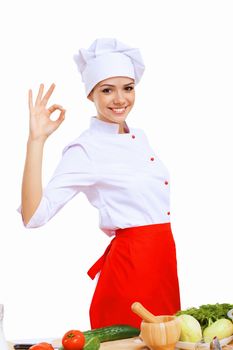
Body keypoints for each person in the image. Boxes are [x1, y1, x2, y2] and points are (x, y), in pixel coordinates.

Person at [19, 38, 181, 329]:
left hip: (163, 267)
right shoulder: (87, 149)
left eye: (127, 88)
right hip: (131, 274)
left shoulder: (140, 137)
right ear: (90, 94)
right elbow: (33, 216)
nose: (120, 99)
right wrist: (36, 140)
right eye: (107, 90)